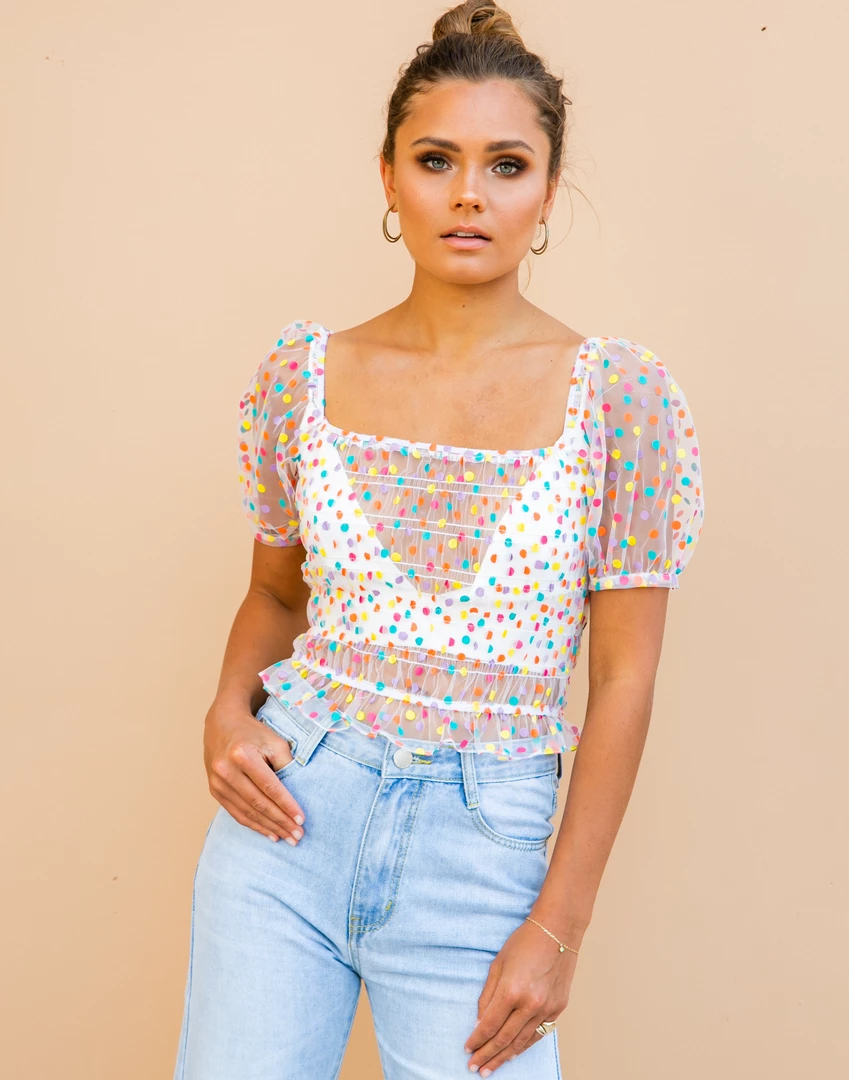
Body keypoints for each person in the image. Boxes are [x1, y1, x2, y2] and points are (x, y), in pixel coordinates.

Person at [172, 2, 706, 1077]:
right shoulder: (303, 378)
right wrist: (229, 712)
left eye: (507, 165)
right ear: (388, 178)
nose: (469, 194)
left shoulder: (618, 401)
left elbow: (625, 679)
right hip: (289, 820)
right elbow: (274, 596)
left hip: (484, 847)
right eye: (435, 160)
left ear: (547, 191)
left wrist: (559, 927)